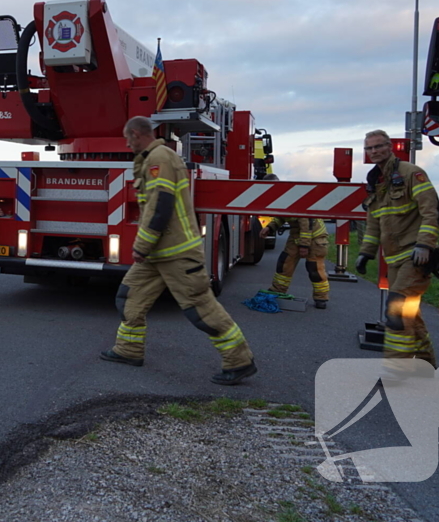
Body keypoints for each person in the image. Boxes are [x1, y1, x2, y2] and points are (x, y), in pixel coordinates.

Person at [100, 116, 257, 385]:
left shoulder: (160, 158)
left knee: (201, 309)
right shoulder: (153, 158)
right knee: (130, 298)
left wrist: (142, 245)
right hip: (158, 254)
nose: (126, 144)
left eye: (128, 138)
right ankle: (128, 350)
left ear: (137, 134)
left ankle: (239, 361)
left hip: (177, 252)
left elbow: (161, 205)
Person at [355, 129, 439, 366]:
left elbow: (431, 211)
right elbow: (374, 222)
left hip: (416, 258)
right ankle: (425, 364)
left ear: (390, 147)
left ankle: (397, 372)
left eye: (378, 146)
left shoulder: (411, 173)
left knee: (396, 312)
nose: (374, 151)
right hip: (394, 260)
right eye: (369, 148)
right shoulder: (376, 180)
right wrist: (366, 253)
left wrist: (425, 245)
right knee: (409, 316)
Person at [258, 174, 331, 309]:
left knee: (314, 269)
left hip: (315, 238)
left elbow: (305, 223)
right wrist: (269, 227)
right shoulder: (281, 198)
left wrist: (304, 245)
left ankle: (321, 298)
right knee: (284, 263)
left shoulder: (293, 196)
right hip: (297, 237)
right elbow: (282, 217)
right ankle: (277, 291)